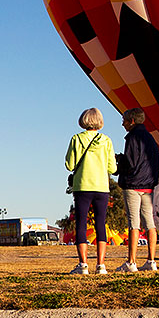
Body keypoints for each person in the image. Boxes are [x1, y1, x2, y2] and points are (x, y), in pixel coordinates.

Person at [65, 107, 117, 274]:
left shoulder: (76, 139)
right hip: (101, 186)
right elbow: (112, 168)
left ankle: (83, 264)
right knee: (101, 224)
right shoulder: (106, 140)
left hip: (82, 186)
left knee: (81, 224)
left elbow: (69, 165)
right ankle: (101, 265)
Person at [114, 106, 159, 273]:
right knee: (150, 223)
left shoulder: (132, 137)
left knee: (134, 223)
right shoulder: (150, 138)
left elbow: (131, 163)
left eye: (124, 121)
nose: (123, 124)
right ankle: (151, 260)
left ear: (132, 121)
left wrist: (119, 163)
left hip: (133, 185)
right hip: (148, 185)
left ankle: (131, 262)